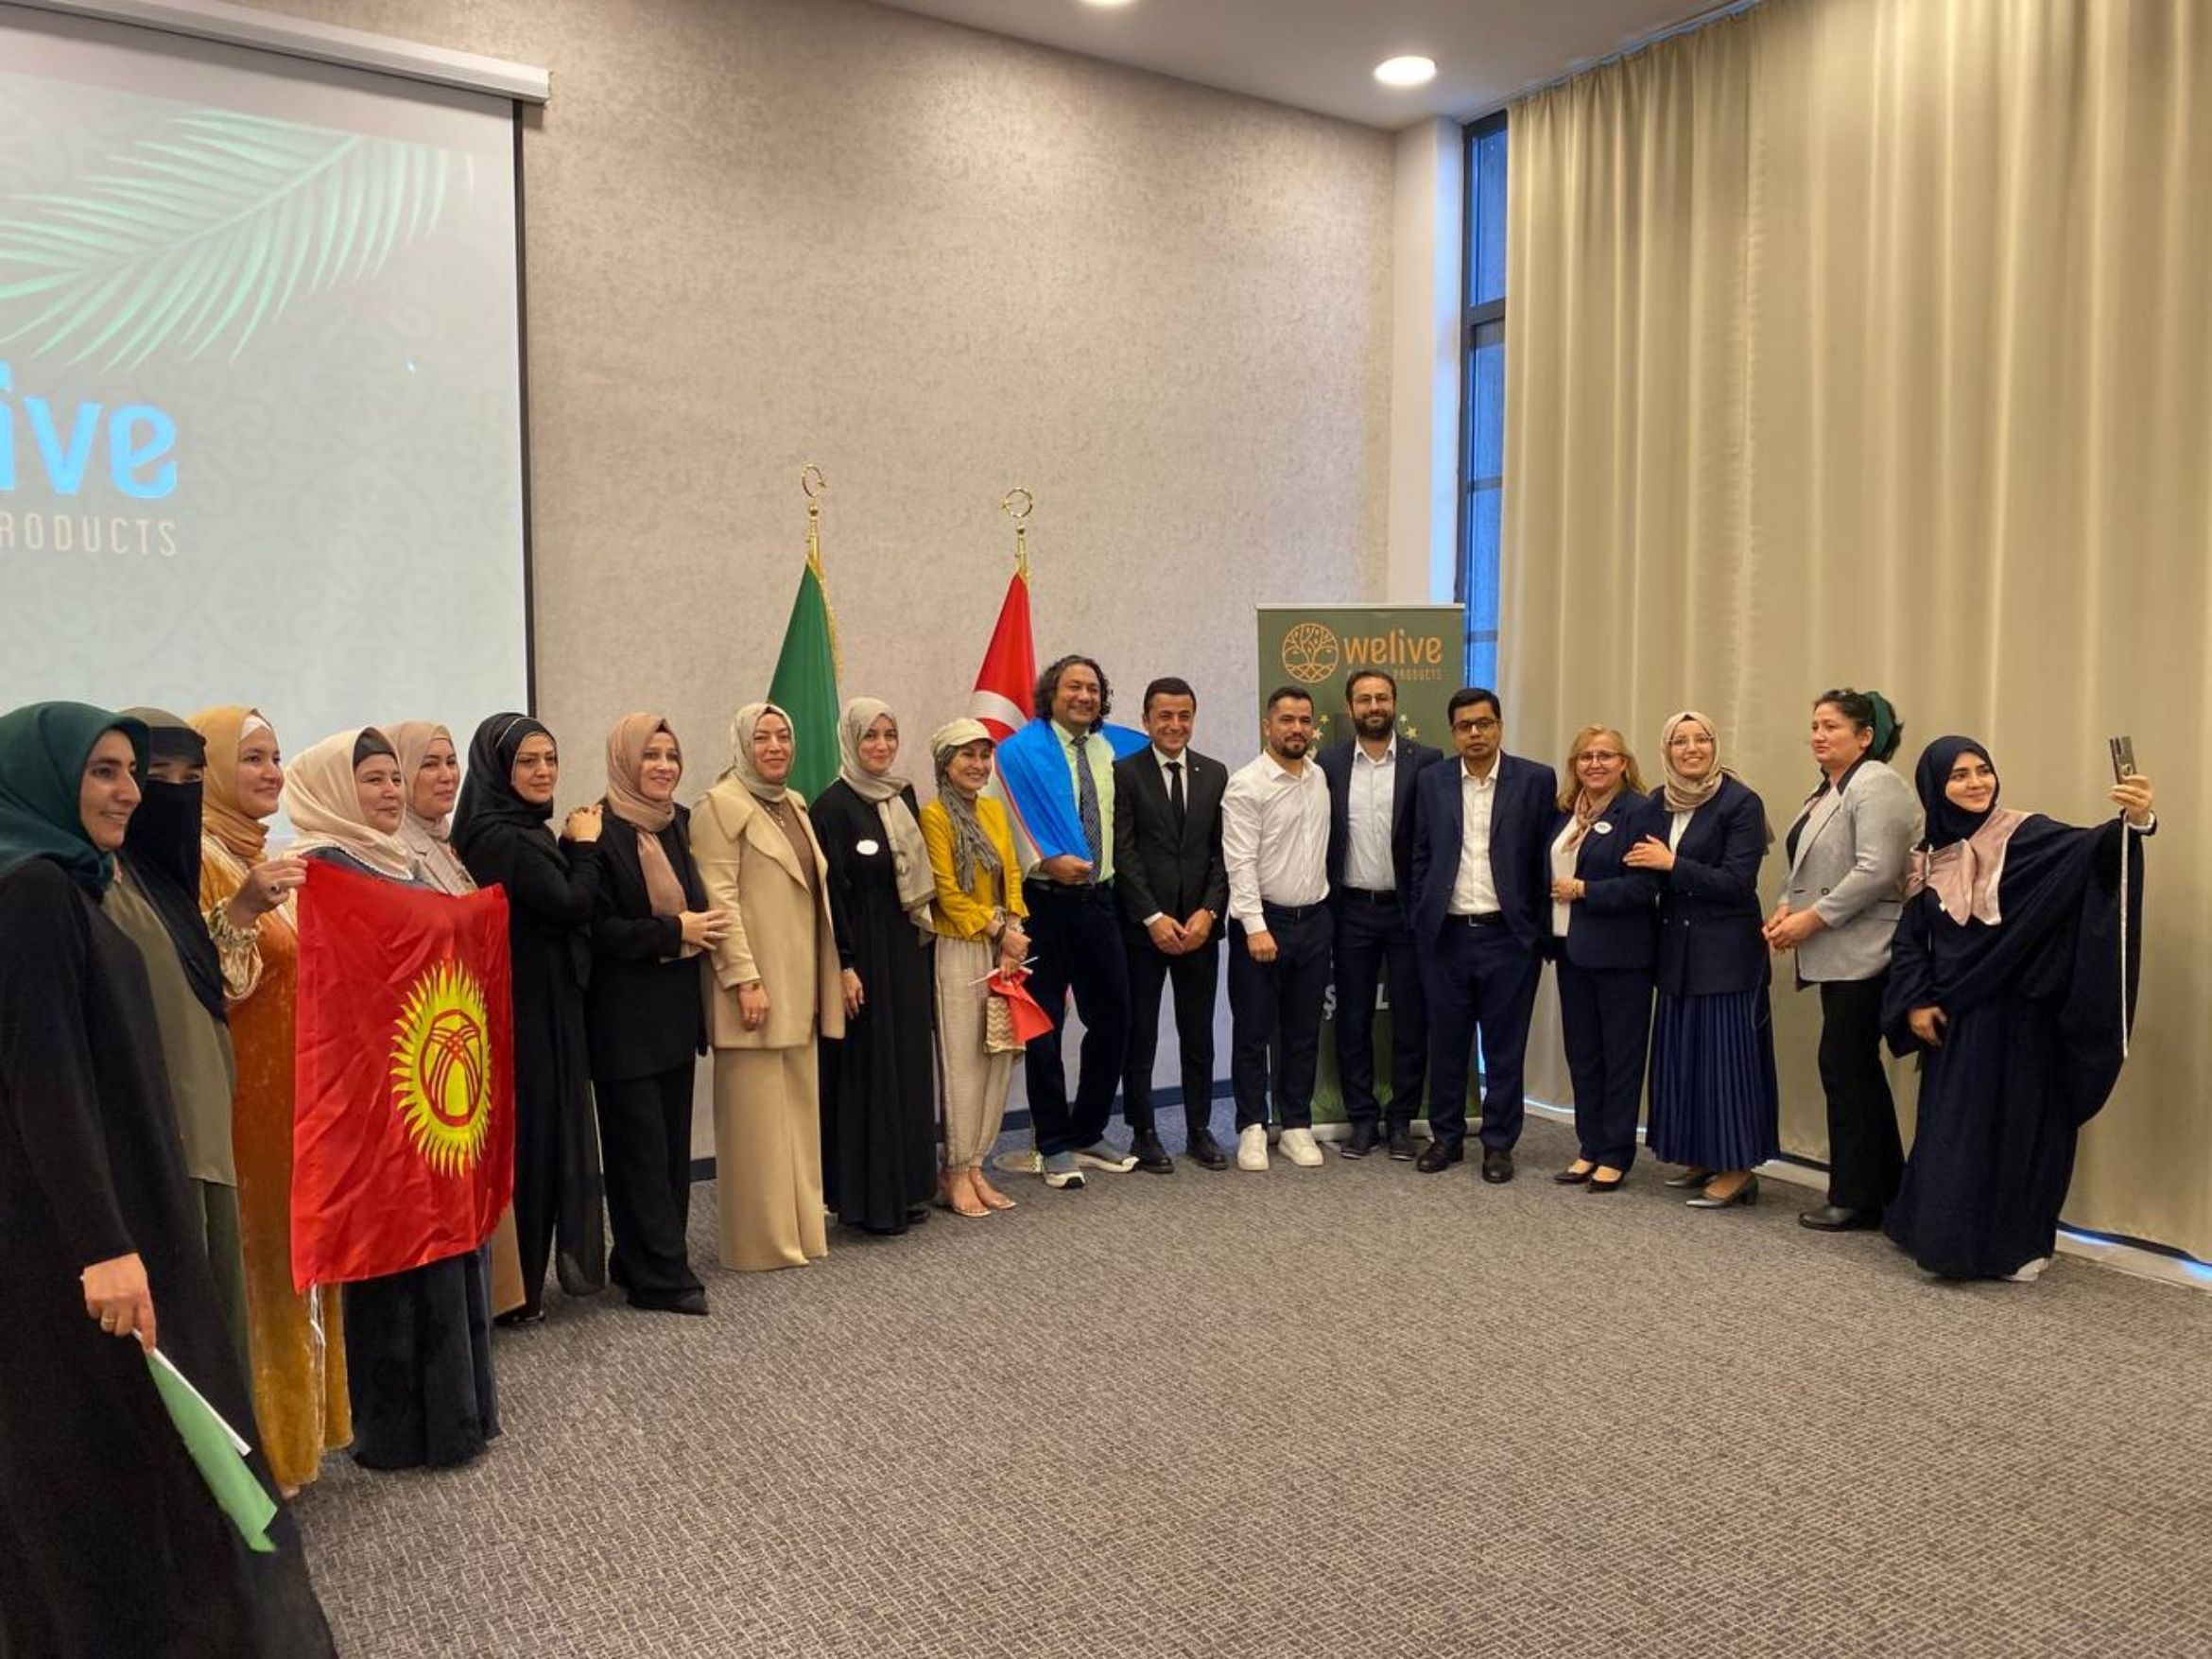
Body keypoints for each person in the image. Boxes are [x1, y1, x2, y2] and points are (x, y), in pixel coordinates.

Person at [0, 703, 337, 1658]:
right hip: (73, 1237)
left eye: (130, 772)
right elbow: (48, 1084)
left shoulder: (77, 881)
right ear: (42, 778)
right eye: (102, 772)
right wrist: (106, 1248)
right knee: (98, 1455)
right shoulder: (32, 891)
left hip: (109, 1208)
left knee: (122, 1454)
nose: (129, 793)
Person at [287, 728, 498, 1469]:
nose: (389, 791)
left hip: (427, 1091)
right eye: (371, 779)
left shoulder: (401, 859)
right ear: (334, 788)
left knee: (445, 1245)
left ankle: (459, 1414)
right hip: (370, 1101)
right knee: (391, 1256)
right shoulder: (319, 868)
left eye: (391, 778)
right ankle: (400, 1431)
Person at [1882, 738, 2155, 1282]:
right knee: (1953, 1130)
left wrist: (2138, 821)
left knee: (2017, 1129)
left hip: (2021, 1018)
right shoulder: (1927, 855)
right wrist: (1916, 999)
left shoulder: (2026, 833)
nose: (1975, 783)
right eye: (1959, 775)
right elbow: (1912, 938)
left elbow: (2099, 851)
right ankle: (1942, 1235)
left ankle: (2015, 1245)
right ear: (1935, 786)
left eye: (1983, 770)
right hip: (1958, 1019)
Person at [189, 704, 349, 1495]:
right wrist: (246, 909)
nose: (270, 772)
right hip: (245, 1106)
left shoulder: (262, 854)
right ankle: (268, 1452)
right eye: (251, 757)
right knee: (260, 1270)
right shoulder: (199, 858)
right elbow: (210, 985)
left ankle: (303, 1435)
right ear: (213, 769)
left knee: (302, 1259)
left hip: (298, 1097)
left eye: (276, 756)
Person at [107, 706, 251, 1374]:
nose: (170, 793)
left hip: (208, 1129)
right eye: (153, 775)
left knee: (215, 1315)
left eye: (191, 777)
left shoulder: (164, 882)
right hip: (164, 1137)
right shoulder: (97, 888)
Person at [453, 713, 609, 1321]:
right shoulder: (501, 836)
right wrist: (586, 848)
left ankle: (523, 1287)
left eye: (550, 759)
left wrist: (568, 847)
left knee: (543, 1140)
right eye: (527, 761)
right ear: (498, 769)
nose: (543, 772)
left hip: (542, 1002)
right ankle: (516, 1293)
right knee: (534, 1143)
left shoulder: (519, 828)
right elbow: (569, 903)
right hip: (526, 1012)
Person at [690, 702, 845, 1270]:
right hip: (751, 988)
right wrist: (743, 978)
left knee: (799, 1114)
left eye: (783, 736)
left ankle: (801, 1231)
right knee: (756, 1123)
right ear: (741, 745)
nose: (776, 747)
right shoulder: (719, 808)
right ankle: (760, 1242)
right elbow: (720, 901)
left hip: (799, 980)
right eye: (762, 738)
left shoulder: (794, 804)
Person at [1765, 688, 1919, 1233]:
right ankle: (1882, 1189)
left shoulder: (1877, 783)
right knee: (1850, 1068)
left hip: (1869, 950)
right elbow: (1810, 865)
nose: (1818, 735)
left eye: (1831, 726)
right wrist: (1786, 906)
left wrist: (1812, 919)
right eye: (1814, 725)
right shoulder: (1828, 789)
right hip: (1838, 948)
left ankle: (1857, 1195)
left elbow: (1877, 870)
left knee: (1847, 1067)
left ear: (1865, 736)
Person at [389, 719, 528, 1319]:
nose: (446, 776)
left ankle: (490, 1297)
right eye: (428, 764)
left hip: (470, 1027)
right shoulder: (397, 852)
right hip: (438, 1040)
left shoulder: (442, 842)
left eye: (451, 763)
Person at [586, 714, 725, 1314]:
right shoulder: (596, 832)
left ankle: (641, 1258)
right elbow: (597, 930)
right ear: (624, 761)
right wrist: (674, 931)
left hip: (673, 1012)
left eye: (671, 755)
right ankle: (661, 1278)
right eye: (650, 755)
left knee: (668, 1152)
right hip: (623, 1019)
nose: (664, 766)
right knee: (637, 1153)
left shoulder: (681, 823)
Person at [993, 655, 1143, 1188]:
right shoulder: (1018, 753)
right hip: (1044, 903)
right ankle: (1053, 1142)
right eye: (1073, 687)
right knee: (1045, 1027)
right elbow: (1003, 824)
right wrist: (1043, 860)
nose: (1084, 696)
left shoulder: (1113, 750)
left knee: (1116, 1017)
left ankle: (1088, 1130)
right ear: (1051, 695)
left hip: (1101, 903)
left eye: (1093, 688)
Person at [1624, 711, 1780, 1209]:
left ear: (1715, 746)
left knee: (1727, 1065)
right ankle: (1703, 1155)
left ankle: (1738, 1168)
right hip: (1676, 953)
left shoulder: (1741, 802)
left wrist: (1672, 864)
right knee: (1688, 1060)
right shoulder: (1658, 802)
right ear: (1666, 751)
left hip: (1727, 955)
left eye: (1701, 740)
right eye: (1680, 741)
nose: (1691, 749)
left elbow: (1737, 883)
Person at [1408, 687, 1555, 1184]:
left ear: (1499, 726)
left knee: (1504, 1047)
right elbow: (1420, 852)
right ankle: (1447, 1137)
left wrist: (1535, 930)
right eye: (1465, 726)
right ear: (1453, 733)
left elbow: (1544, 857)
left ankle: (1498, 1145)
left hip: (1508, 938)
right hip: (1445, 936)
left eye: (1484, 723)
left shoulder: (1535, 780)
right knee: (1447, 1044)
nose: (1475, 733)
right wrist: (1422, 914)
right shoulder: (1432, 781)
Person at [811, 698, 938, 1234]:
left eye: (889, 734)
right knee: (870, 1069)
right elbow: (831, 898)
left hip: (906, 950)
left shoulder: (903, 794)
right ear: (850, 741)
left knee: (907, 1064)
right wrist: (843, 965)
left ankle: (909, 1188)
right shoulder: (831, 807)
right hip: (863, 954)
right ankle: (869, 1201)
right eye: (870, 736)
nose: (882, 745)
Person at [1317, 667, 1443, 1160]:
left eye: (1382, 697)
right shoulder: (1328, 763)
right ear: (1351, 707)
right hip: (1351, 909)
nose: (1374, 706)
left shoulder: (1426, 761)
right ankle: (1363, 1119)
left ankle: (1401, 1121)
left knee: (1411, 1020)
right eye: (1365, 699)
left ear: (1395, 702)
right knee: (1353, 1019)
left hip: (1407, 911)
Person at [1112, 676, 1230, 1171]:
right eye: (1165, 716)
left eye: (1184, 716)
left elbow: (1225, 853)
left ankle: (1200, 1129)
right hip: (1144, 930)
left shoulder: (1215, 773)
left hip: (1200, 928)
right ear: (1146, 720)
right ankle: (1143, 1132)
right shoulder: (1124, 773)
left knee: (1197, 1033)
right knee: (1140, 1033)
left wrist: (1209, 911)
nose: (1175, 725)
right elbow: (1123, 852)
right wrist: (1153, 916)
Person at [1545, 726, 1664, 1191]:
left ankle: (1615, 1153)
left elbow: (1644, 887)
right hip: (1572, 952)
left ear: (1623, 763)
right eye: (1585, 757)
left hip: (1621, 956)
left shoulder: (1640, 810)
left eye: (1605, 756)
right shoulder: (1566, 814)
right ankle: (1589, 1146)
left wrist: (1585, 890)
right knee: (1583, 1056)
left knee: (1621, 1059)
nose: (1595, 764)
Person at [1220, 686, 1333, 1173]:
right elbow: (1239, 861)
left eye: (1304, 720)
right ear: (1268, 726)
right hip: (1263, 923)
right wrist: (1255, 925)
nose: (1296, 729)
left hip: (1315, 920)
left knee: (1303, 1031)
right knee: (1253, 1032)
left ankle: (1295, 1125)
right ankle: (1251, 1125)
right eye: (1286, 720)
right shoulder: (1247, 784)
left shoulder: (1319, 777)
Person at [920, 719, 1029, 1217]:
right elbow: (946, 892)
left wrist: (1013, 934)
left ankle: (978, 1164)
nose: (979, 765)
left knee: (998, 1058)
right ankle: (955, 1168)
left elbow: (1012, 874)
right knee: (963, 1063)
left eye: (985, 756)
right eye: (968, 755)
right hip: (960, 945)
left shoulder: (992, 810)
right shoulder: (933, 816)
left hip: (1002, 945)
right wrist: (999, 931)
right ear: (946, 763)